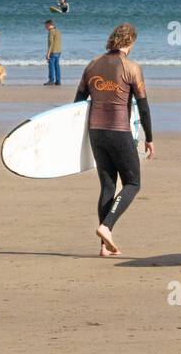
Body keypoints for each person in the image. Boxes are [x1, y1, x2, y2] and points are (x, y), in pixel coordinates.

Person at [74, 23, 155, 256]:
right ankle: (106, 227)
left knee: (108, 185)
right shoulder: (131, 68)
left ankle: (104, 247)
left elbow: (77, 105)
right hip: (119, 132)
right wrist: (149, 138)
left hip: (96, 133)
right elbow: (144, 107)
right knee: (132, 183)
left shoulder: (92, 66)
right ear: (130, 43)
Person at [44, 19, 63, 86]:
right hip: (59, 51)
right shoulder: (58, 31)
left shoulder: (51, 32)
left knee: (51, 66)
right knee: (57, 66)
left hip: (53, 51)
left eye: (46, 26)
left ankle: (51, 80)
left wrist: (48, 53)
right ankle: (58, 81)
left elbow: (51, 43)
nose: (45, 27)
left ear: (49, 25)